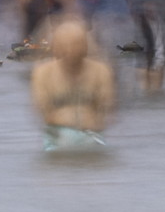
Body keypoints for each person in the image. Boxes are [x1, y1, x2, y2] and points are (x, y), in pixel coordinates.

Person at [30, 20, 115, 151]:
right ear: (56, 47)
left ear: (85, 46)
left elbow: (107, 106)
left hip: (93, 136)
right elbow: (41, 108)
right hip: (56, 137)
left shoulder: (101, 71)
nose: (71, 50)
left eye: (76, 44)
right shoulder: (43, 72)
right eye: (65, 44)